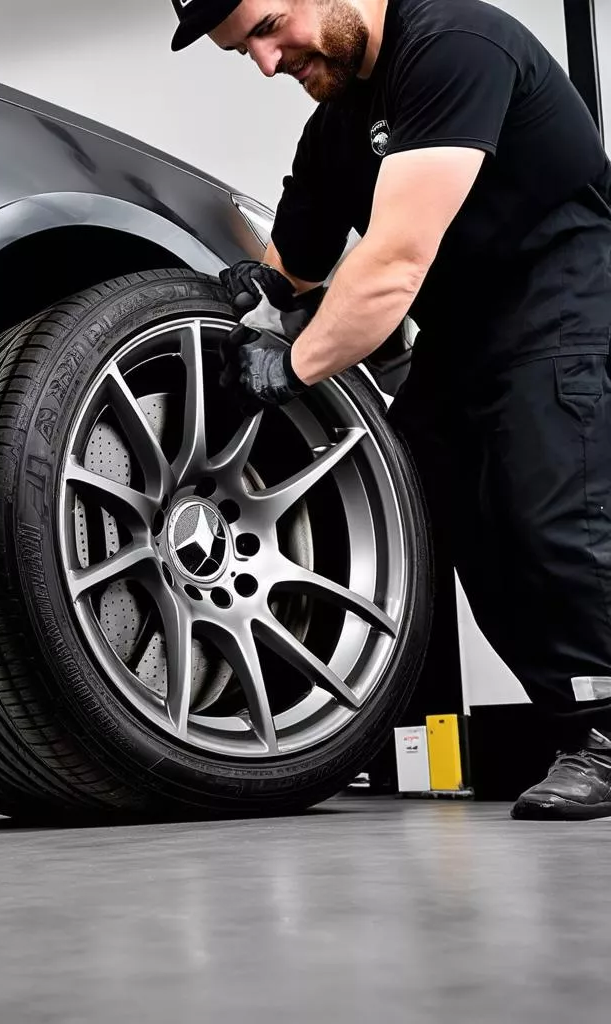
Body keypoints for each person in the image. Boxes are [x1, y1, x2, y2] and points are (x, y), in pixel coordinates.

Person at [169, 0, 611, 820]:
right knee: (449, 518)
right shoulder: (337, 124)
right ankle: (578, 725)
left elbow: (395, 261)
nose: (267, 63)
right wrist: (258, 298)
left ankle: (607, 730)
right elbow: (293, 267)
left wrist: (293, 364)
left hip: (565, 301)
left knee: (552, 520)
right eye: (243, 54)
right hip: (463, 328)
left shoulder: (454, 47)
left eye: (266, 29)